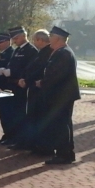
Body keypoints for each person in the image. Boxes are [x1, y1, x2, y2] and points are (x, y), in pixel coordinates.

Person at [37, 26, 80, 165]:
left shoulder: (63, 53)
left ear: (58, 38)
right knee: (62, 124)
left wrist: (42, 82)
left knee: (61, 125)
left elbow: (56, 75)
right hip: (61, 95)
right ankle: (66, 153)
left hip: (62, 95)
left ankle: (64, 154)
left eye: (51, 36)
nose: (49, 39)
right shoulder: (61, 52)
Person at [2, 27, 37, 149]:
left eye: (16, 38)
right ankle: (16, 139)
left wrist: (13, 73)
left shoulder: (31, 50)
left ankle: (23, 141)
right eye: (13, 39)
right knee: (15, 114)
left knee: (22, 114)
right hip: (14, 85)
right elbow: (13, 64)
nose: (14, 41)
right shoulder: (17, 50)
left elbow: (29, 68)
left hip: (23, 87)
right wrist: (7, 70)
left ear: (23, 36)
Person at [19, 29, 54, 155]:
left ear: (40, 40)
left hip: (40, 90)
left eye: (35, 40)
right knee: (33, 117)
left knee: (39, 118)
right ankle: (35, 144)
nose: (34, 43)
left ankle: (42, 147)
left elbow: (39, 70)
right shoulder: (42, 52)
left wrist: (27, 80)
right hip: (34, 88)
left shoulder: (48, 52)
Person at [0, 32, 15, 144]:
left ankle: (11, 135)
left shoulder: (12, 53)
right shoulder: (0, 54)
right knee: (2, 112)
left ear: (7, 41)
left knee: (8, 113)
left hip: (7, 87)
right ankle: (6, 134)